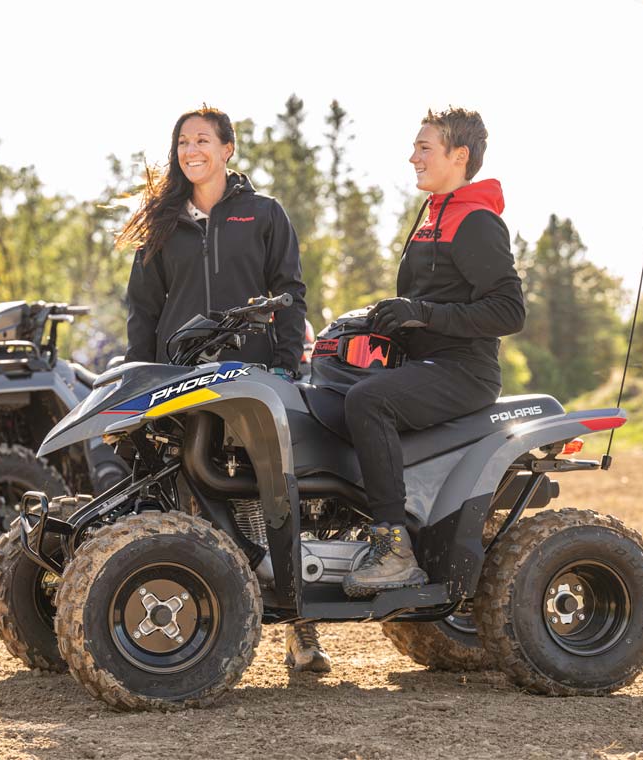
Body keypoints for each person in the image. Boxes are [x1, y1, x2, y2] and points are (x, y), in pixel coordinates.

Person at [118, 106, 328, 672]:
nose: (191, 151)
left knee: (265, 493)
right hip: (178, 380)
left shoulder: (263, 214)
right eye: (183, 142)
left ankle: (300, 628)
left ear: (227, 148)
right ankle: (200, 630)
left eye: (202, 140)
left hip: (250, 378)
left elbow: (289, 292)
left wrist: (285, 365)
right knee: (185, 492)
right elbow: (143, 309)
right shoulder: (162, 222)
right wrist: (141, 376)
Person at [341, 107, 526, 598]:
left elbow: (510, 311)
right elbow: (428, 298)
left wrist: (423, 314)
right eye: (415, 148)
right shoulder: (432, 215)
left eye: (424, 148)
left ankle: (393, 549)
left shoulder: (477, 221)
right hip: (423, 363)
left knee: (368, 401)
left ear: (459, 156)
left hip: (463, 371)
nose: (413, 157)